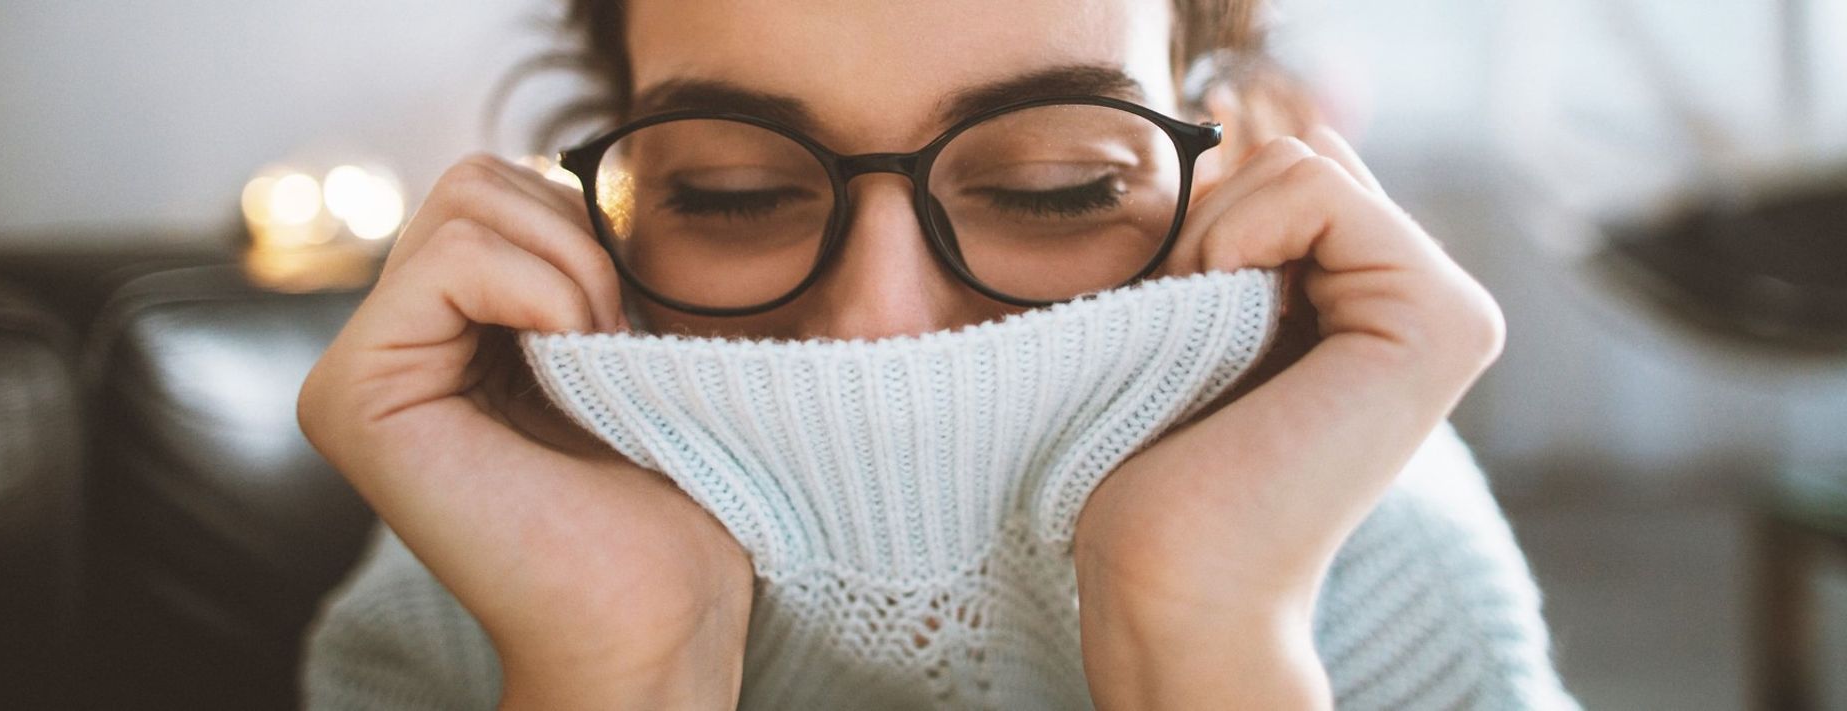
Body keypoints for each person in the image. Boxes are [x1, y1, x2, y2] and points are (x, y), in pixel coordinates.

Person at [296, 0, 1574, 708]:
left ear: (1235, 164)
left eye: (1059, 184)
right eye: (736, 192)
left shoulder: (1393, 564)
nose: (881, 325)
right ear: (604, 196)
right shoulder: (460, 581)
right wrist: (614, 670)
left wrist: (1209, 641)